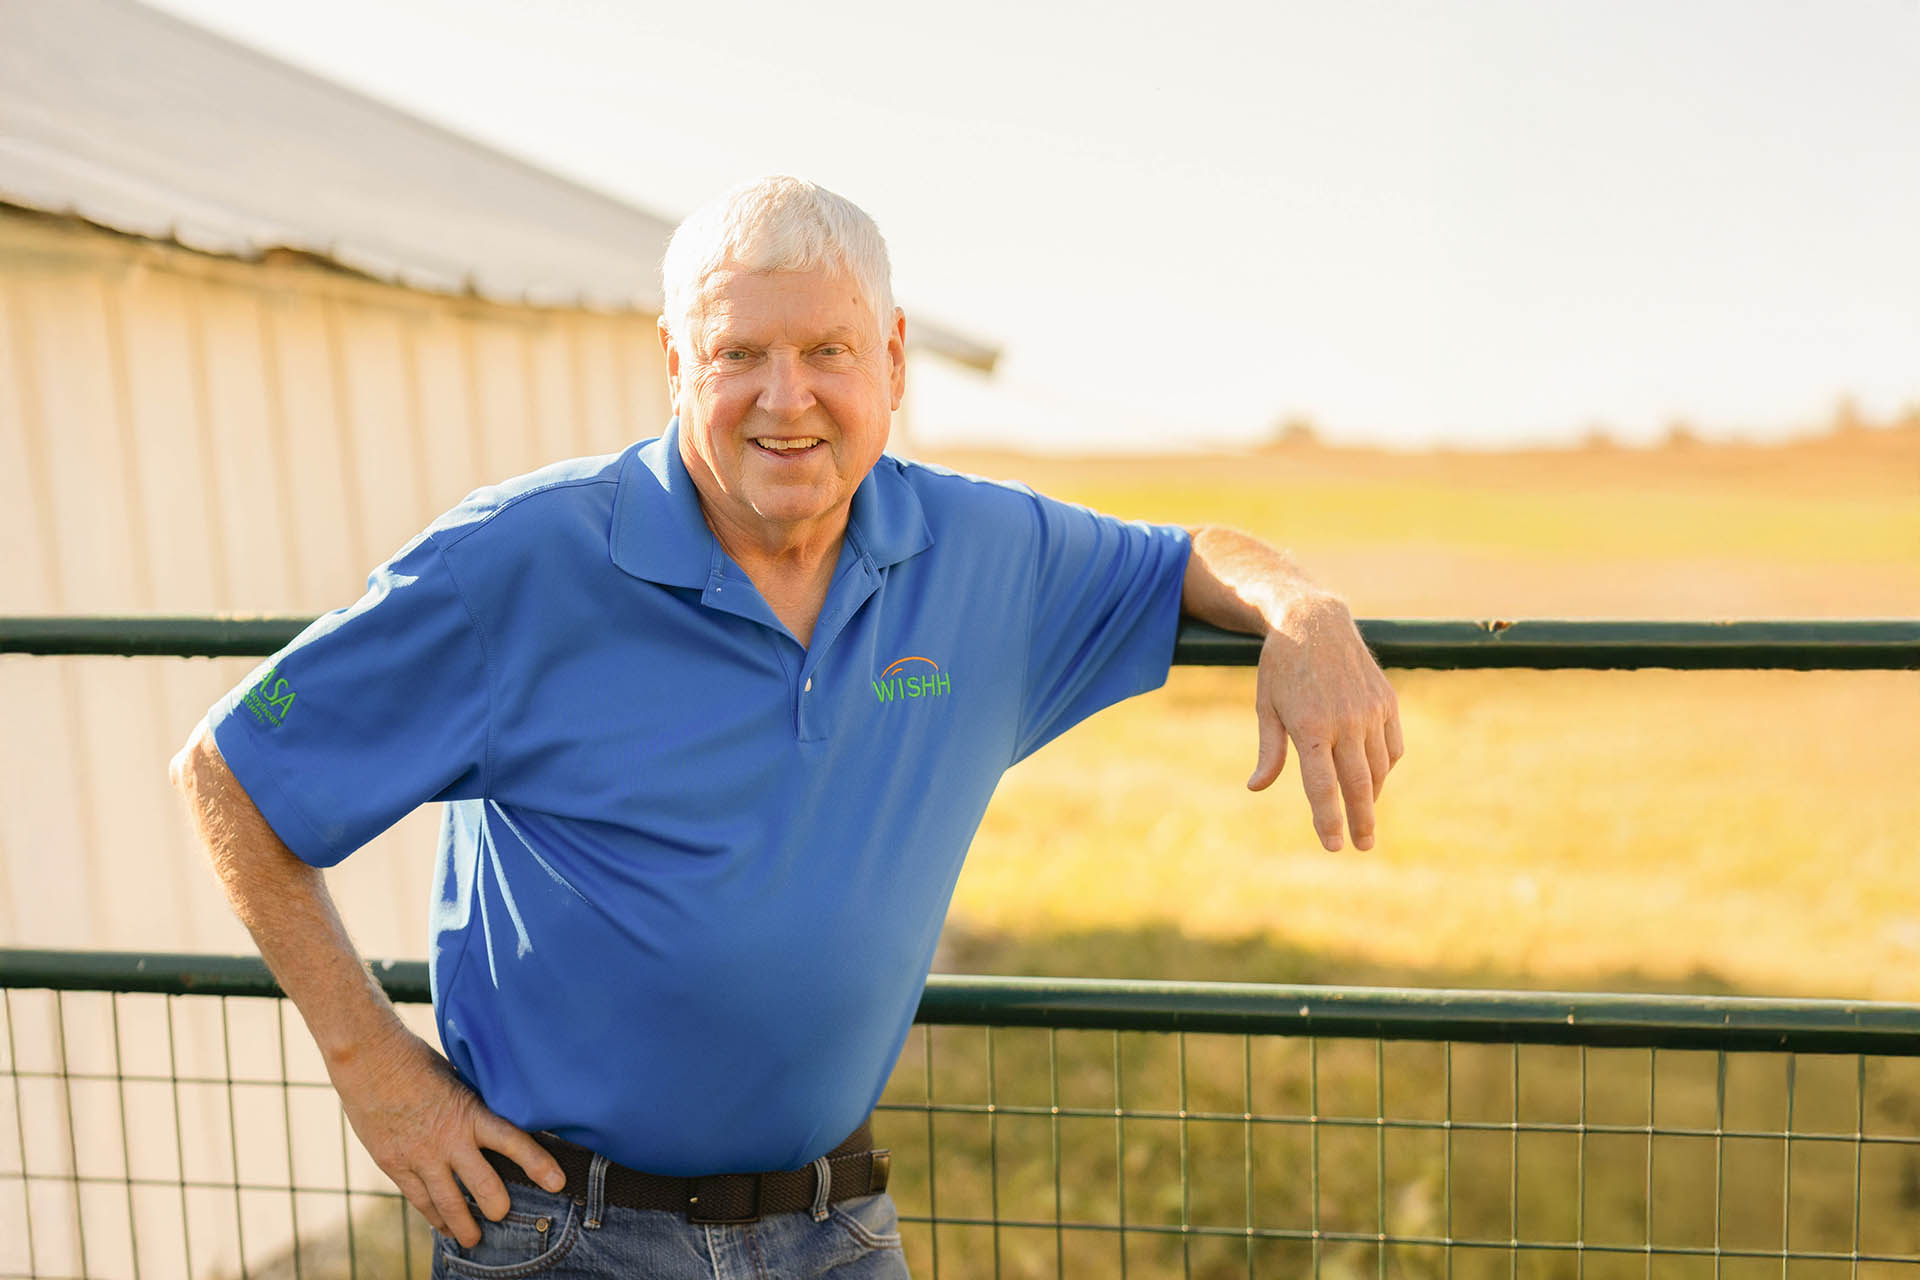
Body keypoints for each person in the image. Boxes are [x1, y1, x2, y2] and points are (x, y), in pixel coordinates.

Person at [170, 176, 1403, 1279]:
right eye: (739, 353)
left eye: (828, 349)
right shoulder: (517, 562)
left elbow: (1186, 556)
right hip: (562, 1233)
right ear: (674, 362)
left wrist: (1305, 609)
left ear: (895, 359)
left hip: (831, 1227)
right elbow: (230, 772)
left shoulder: (980, 552)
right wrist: (374, 1071)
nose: (787, 398)